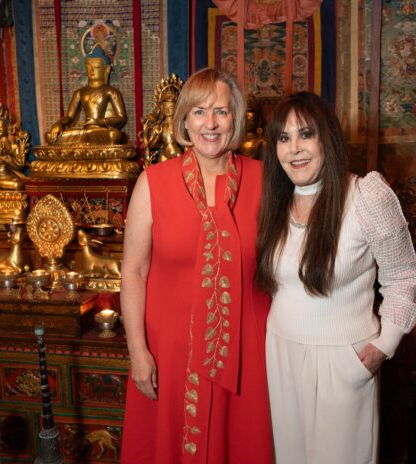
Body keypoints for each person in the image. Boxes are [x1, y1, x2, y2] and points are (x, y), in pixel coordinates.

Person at [255, 91, 416, 464]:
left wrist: (384, 346)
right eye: (284, 138)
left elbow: (404, 277)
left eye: (306, 134)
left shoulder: (366, 196)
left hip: (346, 359)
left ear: (326, 138)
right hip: (281, 354)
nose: (294, 149)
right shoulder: (274, 201)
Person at [119, 68, 273, 464]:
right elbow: (133, 272)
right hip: (170, 352)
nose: (210, 123)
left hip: (248, 349)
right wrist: (138, 351)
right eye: (200, 111)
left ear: (235, 119)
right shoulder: (152, 182)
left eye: (221, 112)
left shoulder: (265, 179)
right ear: (184, 119)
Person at [46, 47, 127, 145]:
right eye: (88, 68)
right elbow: (69, 117)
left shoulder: (111, 91)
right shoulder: (79, 92)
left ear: (107, 70)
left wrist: (98, 122)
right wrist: (59, 123)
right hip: (84, 132)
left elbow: (121, 118)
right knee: (51, 136)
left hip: (102, 132)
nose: (91, 71)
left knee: (115, 135)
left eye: (96, 67)